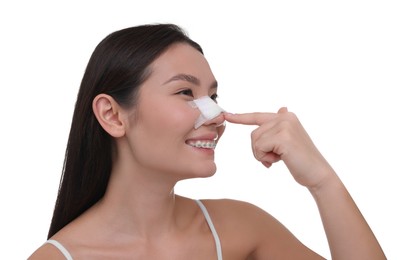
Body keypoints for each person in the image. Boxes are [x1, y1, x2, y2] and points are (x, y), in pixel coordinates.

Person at [29, 23, 386, 260]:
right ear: (112, 115)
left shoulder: (240, 228)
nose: (215, 115)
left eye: (214, 96)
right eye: (186, 92)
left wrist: (322, 180)